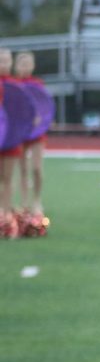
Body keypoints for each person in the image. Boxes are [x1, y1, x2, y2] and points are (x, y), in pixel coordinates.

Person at [13, 51, 49, 236]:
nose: (25, 67)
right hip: (20, 132)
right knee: (22, 169)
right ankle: (24, 203)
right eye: (22, 64)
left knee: (36, 168)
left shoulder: (38, 84)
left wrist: (39, 119)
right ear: (16, 66)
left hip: (36, 133)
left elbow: (45, 107)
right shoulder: (12, 85)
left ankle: (37, 200)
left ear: (33, 66)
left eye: (28, 63)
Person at [0, 48, 21, 238]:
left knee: (7, 178)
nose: (4, 64)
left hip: (11, 139)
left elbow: (25, 112)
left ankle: (6, 217)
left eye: (7, 61)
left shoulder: (15, 86)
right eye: (1, 61)